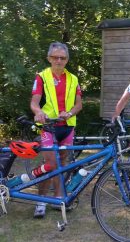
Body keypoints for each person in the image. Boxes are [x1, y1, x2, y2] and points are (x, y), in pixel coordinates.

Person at [31, 42, 82, 218]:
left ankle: (58, 197)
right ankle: (41, 200)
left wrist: (69, 113)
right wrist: (38, 113)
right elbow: (34, 103)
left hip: (67, 127)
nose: (58, 60)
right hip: (48, 127)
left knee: (63, 162)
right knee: (50, 164)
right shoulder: (42, 77)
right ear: (49, 58)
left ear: (67, 60)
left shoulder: (74, 78)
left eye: (62, 57)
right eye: (55, 57)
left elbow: (79, 104)